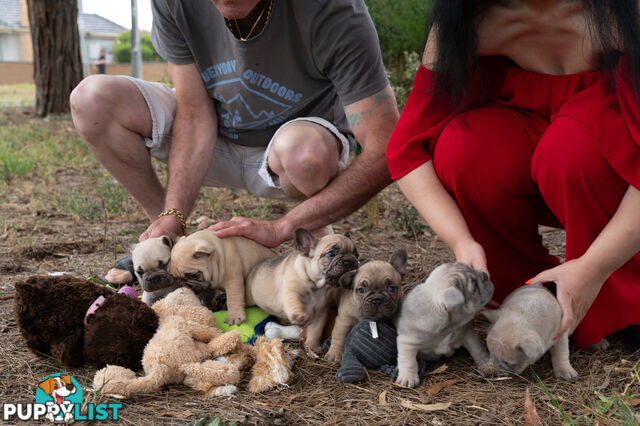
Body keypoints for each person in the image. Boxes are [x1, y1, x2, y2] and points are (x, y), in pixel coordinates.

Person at [386, 0, 640, 350]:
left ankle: (619, 297)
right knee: (466, 147)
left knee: (571, 149)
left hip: (608, 168)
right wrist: (462, 242)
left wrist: (592, 269)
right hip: (532, 155)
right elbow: (406, 151)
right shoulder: (471, 17)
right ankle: (526, 292)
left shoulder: (625, 15)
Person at [70, 0, 398, 255]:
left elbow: (385, 148)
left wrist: (281, 227)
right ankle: (170, 241)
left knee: (306, 156)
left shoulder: (334, 11)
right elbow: (194, 111)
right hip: (209, 137)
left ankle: (312, 228)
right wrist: (174, 213)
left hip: (290, 152)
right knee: (92, 99)